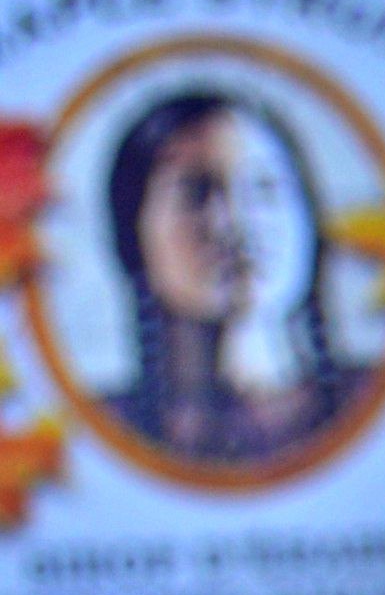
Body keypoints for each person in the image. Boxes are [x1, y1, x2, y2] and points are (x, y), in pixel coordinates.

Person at [102, 86, 355, 468]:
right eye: (195, 192)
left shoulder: (376, 404)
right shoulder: (94, 432)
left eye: (265, 188)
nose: (235, 224)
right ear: (132, 239)